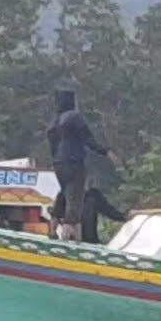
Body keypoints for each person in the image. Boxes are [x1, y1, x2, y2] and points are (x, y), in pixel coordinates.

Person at [46, 90, 120, 242]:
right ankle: (66, 239)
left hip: (59, 164)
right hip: (73, 162)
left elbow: (52, 143)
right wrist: (105, 152)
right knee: (74, 202)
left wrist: (56, 159)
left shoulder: (55, 121)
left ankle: (53, 232)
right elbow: (88, 139)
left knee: (64, 194)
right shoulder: (74, 117)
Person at [51, 186, 125, 244]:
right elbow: (55, 216)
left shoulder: (93, 195)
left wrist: (125, 216)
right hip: (71, 241)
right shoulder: (64, 194)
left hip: (90, 241)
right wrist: (53, 232)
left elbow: (109, 210)